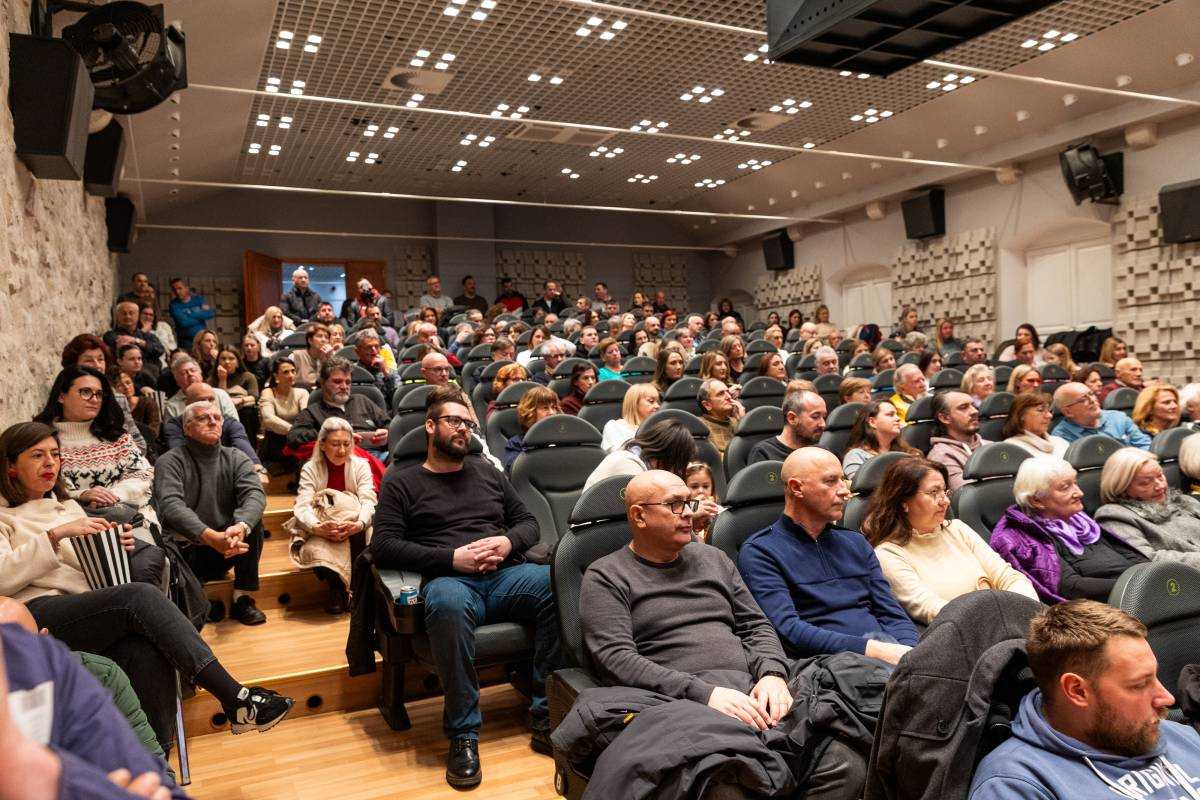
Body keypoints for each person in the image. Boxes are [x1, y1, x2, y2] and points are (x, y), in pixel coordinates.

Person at [0, 421, 292, 750]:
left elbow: (83, 566)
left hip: (82, 608)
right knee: (137, 596)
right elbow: (3, 574)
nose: (50, 463)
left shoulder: (66, 505)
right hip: (34, 616)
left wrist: (113, 545)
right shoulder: (5, 516)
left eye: (55, 454)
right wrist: (55, 535)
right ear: (11, 466)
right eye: (37, 455)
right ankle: (235, 696)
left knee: (145, 650)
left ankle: (156, 761)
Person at [579, 470, 850, 795]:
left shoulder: (713, 558)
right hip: (677, 701)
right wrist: (705, 693)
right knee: (725, 781)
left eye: (689, 503)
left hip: (751, 687)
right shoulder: (606, 575)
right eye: (675, 505)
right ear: (639, 516)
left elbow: (755, 625)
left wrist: (772, 674)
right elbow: (616, 659)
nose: (688, 513)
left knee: (844, 757)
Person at [370, 386, 559, 786]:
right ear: (430, 426)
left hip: (504, 576)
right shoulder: (401, 481)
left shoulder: (488, 472)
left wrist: (506, 542)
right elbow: (383, 546)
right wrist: (450, 558)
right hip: (450, 579)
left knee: (556, 586)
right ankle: (463, 734)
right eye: (454, 421)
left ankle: (545, 715)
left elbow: (528, 523)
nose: (463, 429)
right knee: (447, 604)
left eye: (468, 423)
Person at [969, 600, 1200, 800]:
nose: (1167, 698)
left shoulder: (1180, 736)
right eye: (1139, 684)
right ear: (1077, 691)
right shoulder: (1016, 784)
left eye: (1155, 677)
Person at [738, 448, 919, 664]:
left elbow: (891, 612)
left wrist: (911, 653)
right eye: (831, 481)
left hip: (887, 653)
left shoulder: (856, 542)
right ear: (796, 488)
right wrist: (872, 649)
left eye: (842, 479)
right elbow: (788, 630)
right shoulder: (760, 551)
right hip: (826, 664)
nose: (844, 491)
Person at [864, 457, 1037, 624]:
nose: (945, 501)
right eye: (934, 493)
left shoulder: (957, 529)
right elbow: (932, 609)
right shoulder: (888, 554)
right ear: (903, 502)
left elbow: (1009, 576)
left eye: (945, 492)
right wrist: (999, 619)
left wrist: (1023, 611)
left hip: (1008, 618)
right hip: (965, 633)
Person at [155, 401, 268, 624]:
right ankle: (200, 600)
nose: (212, 421)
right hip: (187, 550)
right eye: (203, 418)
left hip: (227, 546)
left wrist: (240, 527)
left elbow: (255, 494)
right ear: (187, 428)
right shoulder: (169, 461)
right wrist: (209, 536)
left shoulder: (236, 457)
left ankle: (242, 598)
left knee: (253, 522)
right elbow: (170, 505)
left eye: (217, 417)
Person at [989, 457, 1148, 603]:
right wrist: (1139, 585)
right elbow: (1073, 587)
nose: (1079, 493)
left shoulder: (1081, 521)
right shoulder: (1022, 538)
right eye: (1065, 488)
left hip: (1138, 591)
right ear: (1036, 500)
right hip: (1105, 606)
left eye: (1075, 483)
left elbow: (1129, 555)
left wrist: (1152, 574)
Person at [34, 366, 160, 541]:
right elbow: (38, 484)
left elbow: (143, 474)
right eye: (85, 392)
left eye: (99, 394)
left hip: (129, 519)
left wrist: (110, 497)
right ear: (61, 396)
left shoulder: (116, 437)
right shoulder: (42, 440)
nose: (94, 399)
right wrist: (82, 495)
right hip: (68, 523)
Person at [287, 418, 375, 615]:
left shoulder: (361, 465)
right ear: (322, 444)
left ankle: (357, 590)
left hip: (355, 524)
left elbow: (368, 500)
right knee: (314, 549)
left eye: (346, 444)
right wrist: (317, 527)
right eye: (335, 444)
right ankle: (337, 589)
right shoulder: (310, 468)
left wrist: (359, 523)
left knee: (361, 524)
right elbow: (302, 505)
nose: (342, 450)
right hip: (324, 524)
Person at [1093, 447, 1200, 570]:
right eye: (1145, 483)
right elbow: (1146, 559)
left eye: (1160, 476)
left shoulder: (1180, 499)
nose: (1160, 486)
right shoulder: (1113, 515)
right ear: (1122, 488)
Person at [288, 358, 389, 461]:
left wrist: (386, 432)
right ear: (323, 383)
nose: (344, 387)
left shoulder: (362, 400)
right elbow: (293, 437)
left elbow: (389, 425)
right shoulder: (313, 412)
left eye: (348, 382)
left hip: (379, 456)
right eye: (337, 382)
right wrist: (331, 434)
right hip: (340, 460)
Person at [60, 335, 148, 454]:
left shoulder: (118, 400)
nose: (97, 365)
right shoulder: (66, 398)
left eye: (100, 359)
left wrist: (108, 455)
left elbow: (140, 445)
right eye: (89, 361)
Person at [586, 418, 698, 489]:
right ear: (668, 456)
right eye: (678, 465)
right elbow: (648, 512)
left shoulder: (639, 461)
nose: (678, 471)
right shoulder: (628, 465)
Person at [1052, 382, 1151, 449]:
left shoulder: (1118, 418)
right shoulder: (1061, 436)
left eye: (1091, 394)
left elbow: (1144, 445)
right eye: (1083, 399)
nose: (1092, 400)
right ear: (1068, 412)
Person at [926, 391, 991, 491]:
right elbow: (969, 495)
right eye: (963, 407)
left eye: (973, 406)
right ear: (944, 418)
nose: (974, 411)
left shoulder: (991, 446)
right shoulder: (941, 456)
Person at [841, 401, 919, 480]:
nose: (898, 418)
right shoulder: (856, 456)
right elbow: (858, 485)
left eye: (897, 414)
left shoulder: (908, 452)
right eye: (890, 415)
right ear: (872, 422)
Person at [748, 389, 827, 465]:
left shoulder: (822, 452)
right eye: (815, 417)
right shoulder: (764, 452)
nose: (823, 424)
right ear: (792, 418)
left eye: (824, 417)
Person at [258, 356, 307, 468]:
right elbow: (268, 419)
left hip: (297, 441)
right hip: (275, 442)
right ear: (276, 376)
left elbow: (305, 418)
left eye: (293, 371)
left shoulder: (302, 392)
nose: (291, 375)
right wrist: (294, 431)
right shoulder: (268, 392)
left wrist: (296, 433)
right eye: (286, 372)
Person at [501, 386, 561, 472]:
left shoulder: (564, 439)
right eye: (545, 408)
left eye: (554, 407)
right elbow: (517, 472)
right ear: (530, 412)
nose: (552, 413)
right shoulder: (516, 444)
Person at [104, 300, 164, 380]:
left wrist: (136, 341)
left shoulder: (148, 336)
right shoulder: (111, 335)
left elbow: (159, 350)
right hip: (126, 377)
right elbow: (122, 345)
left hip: (153, 375)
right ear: (117, 316)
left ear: (138, 315)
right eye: (124, 313)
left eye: (131, 313)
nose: (128, 316)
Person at [1003, 392, 1069, 459]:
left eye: (1049, 411)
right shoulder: (1011, 447)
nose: (1049, 416)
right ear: (1021, 415)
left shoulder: (1060, 442)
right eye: (1040, 410)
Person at [601, 384, 660, 453]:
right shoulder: (614, 427)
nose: (657, 406)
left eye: (658, 402)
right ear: (635, 403)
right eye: (651, 401)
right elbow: (619, 456)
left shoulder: (659, 428)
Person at [110, 366, 162, 442]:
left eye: (128, 383)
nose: (126, 387)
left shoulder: (148, 403)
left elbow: (154, 433)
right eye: (120, 385)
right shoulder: (113, 409)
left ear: (133, 383)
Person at [696, 379, 744, 456]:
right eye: (721, 394)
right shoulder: (699, 427)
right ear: (707, 405)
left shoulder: (738, 421)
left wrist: (743, 422)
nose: (729, 397)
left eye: (728, 392)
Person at [353, 328, 397, 404]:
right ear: (357, 351)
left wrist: (386, 373)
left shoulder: (389, 371)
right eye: (369, 347)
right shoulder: (351, 372)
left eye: (377, 346)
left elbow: (397, 399)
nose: (374, 351)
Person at [167, 278, 214, 346]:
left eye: (180, 288)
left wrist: (188, 315)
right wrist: (201, 316)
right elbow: (183, 322)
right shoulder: (173, 305)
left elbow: (210, 314)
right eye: (174, 290)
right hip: (186, 342)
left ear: (186, 288)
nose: (177, 292)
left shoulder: (198, 299)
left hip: (202, 340)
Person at [290, 322, 335, 387]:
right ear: (310, 340)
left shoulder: (329, 357)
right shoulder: (296, 356)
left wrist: (328, 360)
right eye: (319, 336)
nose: (323, 340)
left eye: (326, 337)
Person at [139, 302, 176, 371]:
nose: (148, 317)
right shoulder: (136, 330)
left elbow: (172, 344)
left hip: (166, 360)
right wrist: (143, 331)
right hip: (148, 364)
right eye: (145, 314)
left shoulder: (163, 325)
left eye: (151, 315)